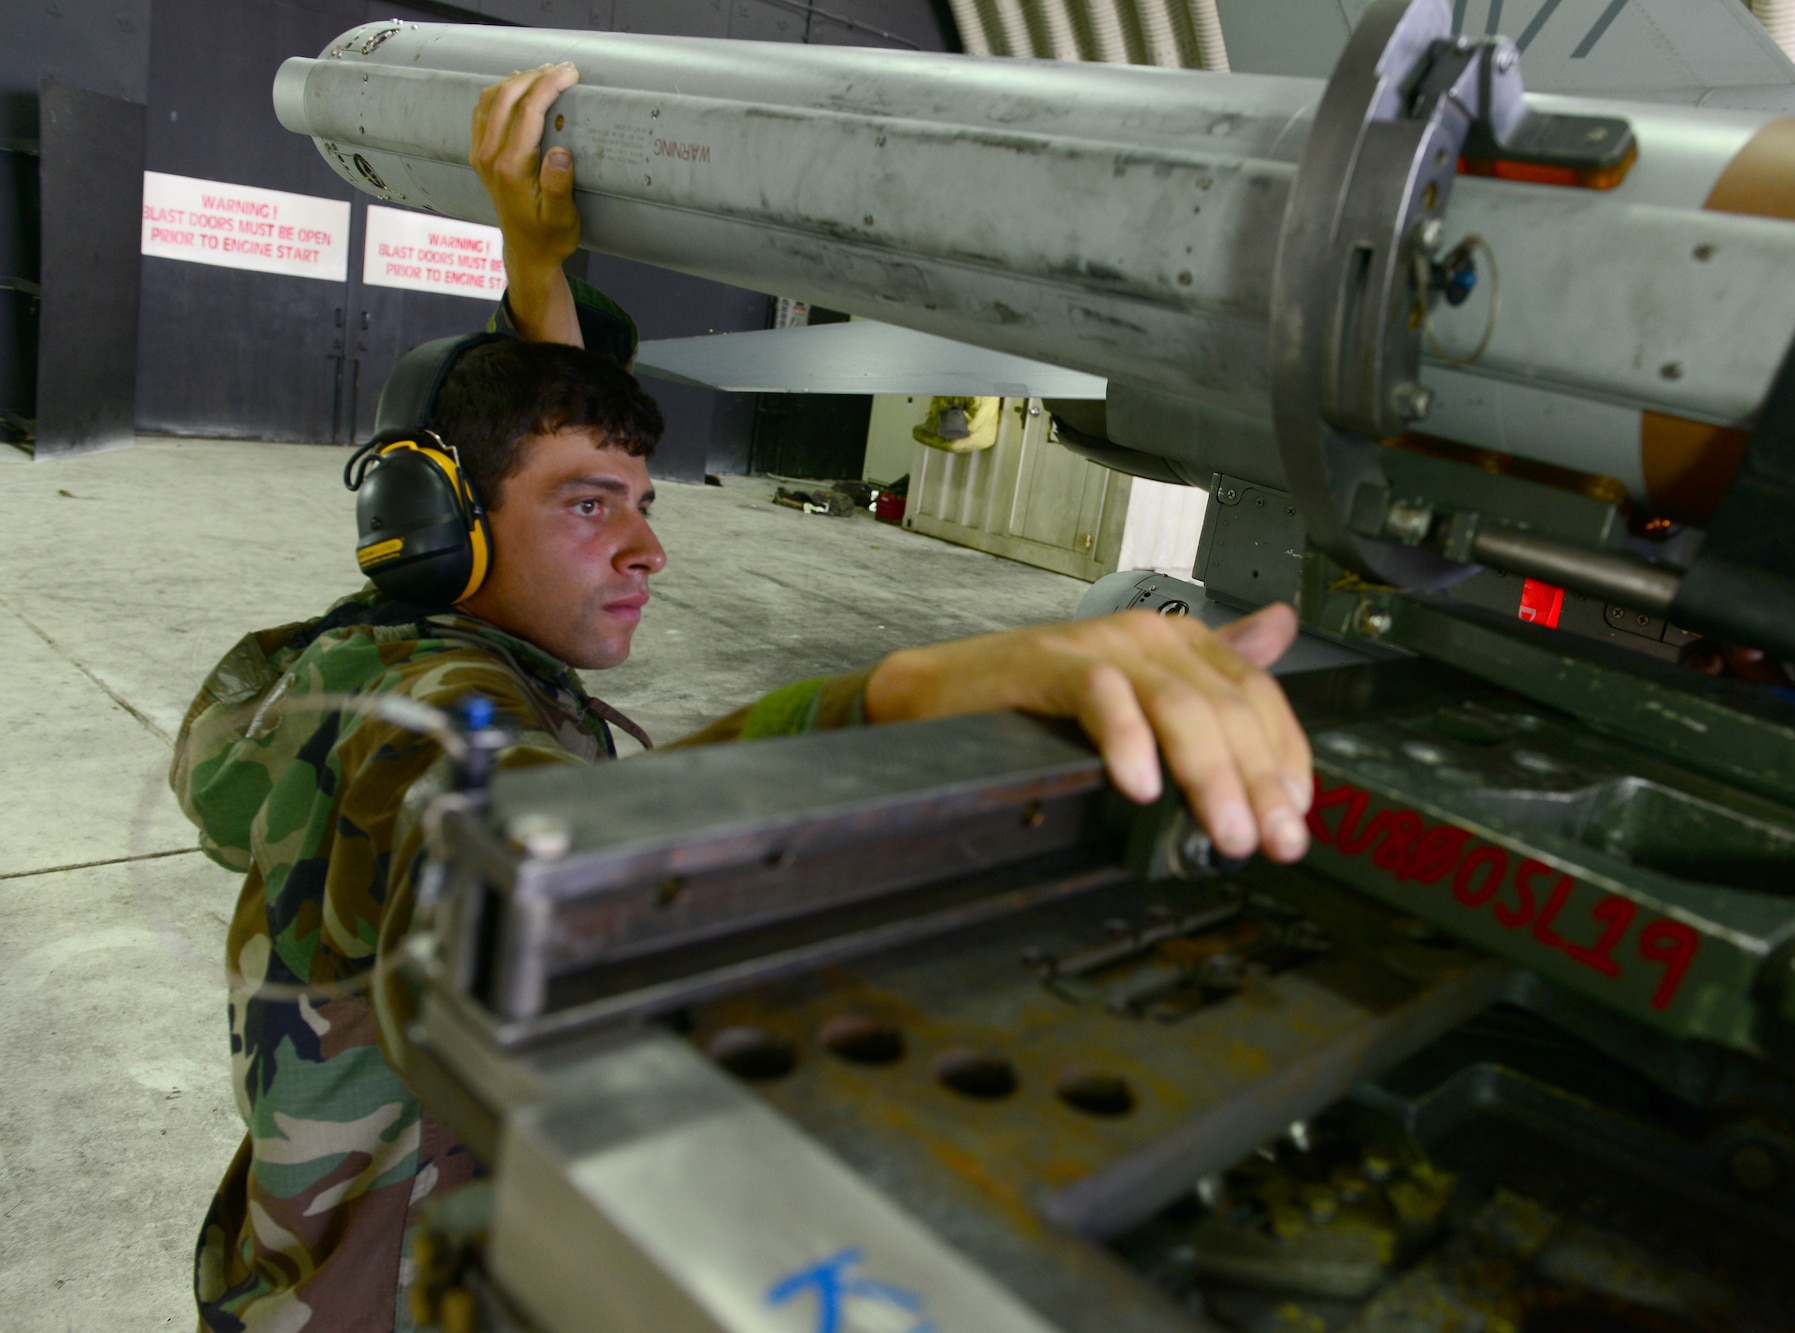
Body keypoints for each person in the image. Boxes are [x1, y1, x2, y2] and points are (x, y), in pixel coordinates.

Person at [173, 68, 1316, 1333]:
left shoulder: (362, 654)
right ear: (442, 524)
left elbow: (526, 455)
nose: (648, 549)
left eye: (643, 503)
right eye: (592, 507)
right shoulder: (418, 717)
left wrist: (536, 270)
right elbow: (563, 880)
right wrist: (899, 695)